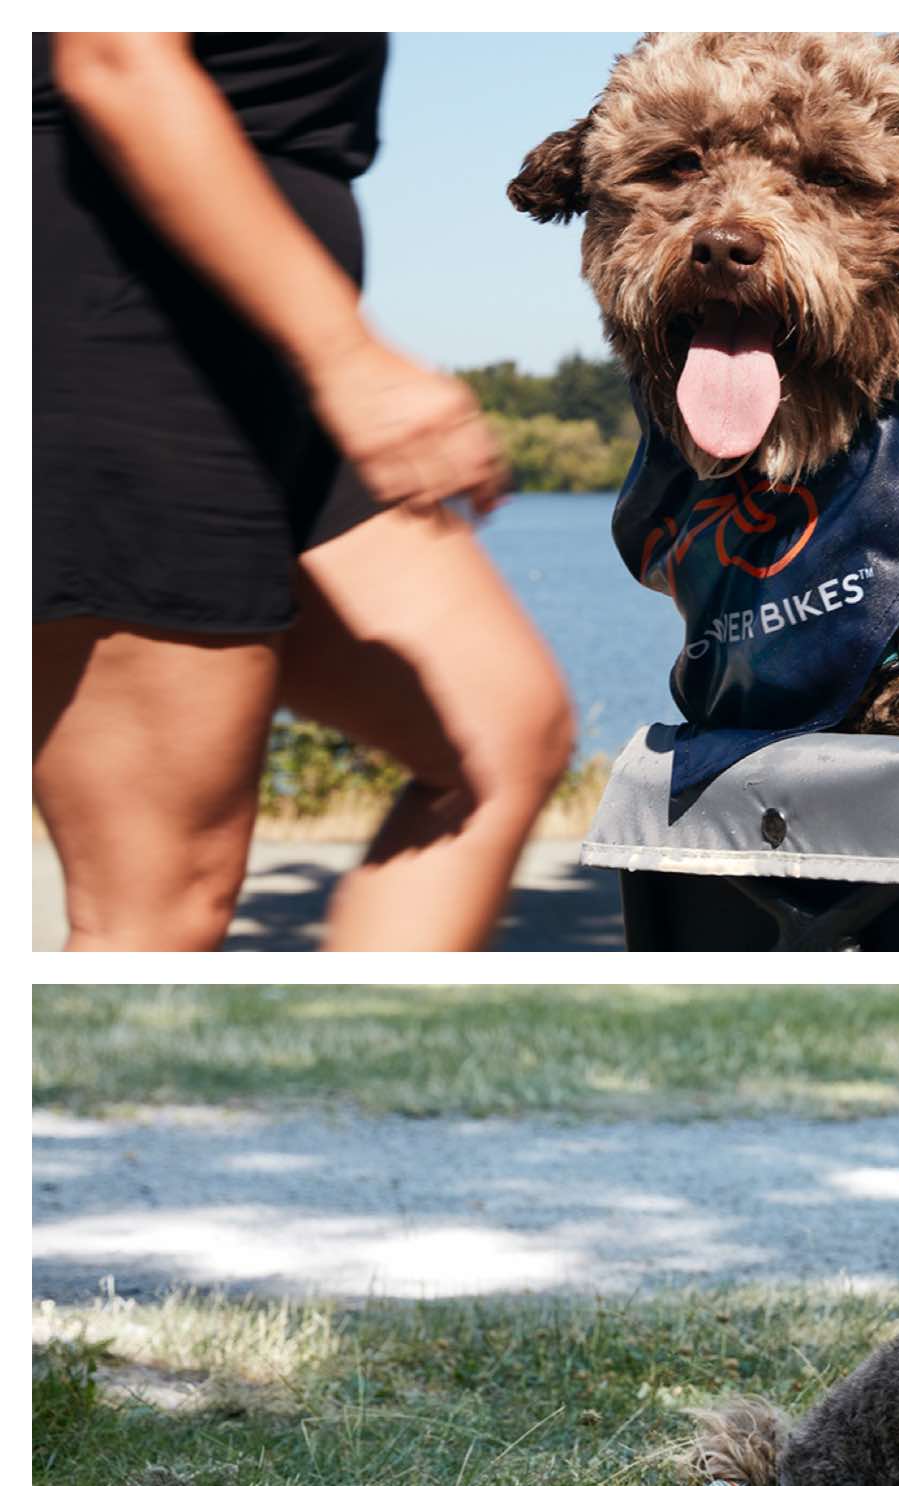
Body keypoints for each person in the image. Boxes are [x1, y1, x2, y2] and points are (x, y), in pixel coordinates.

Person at [33, 32, 576, 950]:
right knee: (159, 900)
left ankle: (358, 1075)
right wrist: (345, 355)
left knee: (496, 734)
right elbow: (113, 52)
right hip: (118, 337)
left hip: (258, 367)